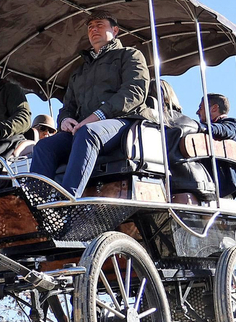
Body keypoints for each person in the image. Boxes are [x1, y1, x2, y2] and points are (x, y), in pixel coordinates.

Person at [28, 15, 154, 197]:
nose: (94, 29)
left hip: (123, 123)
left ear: (115, 30)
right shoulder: (79, 72)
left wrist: (97, 116)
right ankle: (36, 203)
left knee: (87, 133)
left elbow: (134, 92)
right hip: (83, 128)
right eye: (90, 27)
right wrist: (65, 120)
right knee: (44, 146)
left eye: (99, 25)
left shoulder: (130, 55)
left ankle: (68, 201)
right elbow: (67, 106)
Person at [195, 93, 236, 198]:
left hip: (221, 192)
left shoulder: (232, 124)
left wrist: (200, 128)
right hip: (205, 188)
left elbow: (223, 130)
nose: (197, 112)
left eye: (201, 108)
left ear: (214, 108)